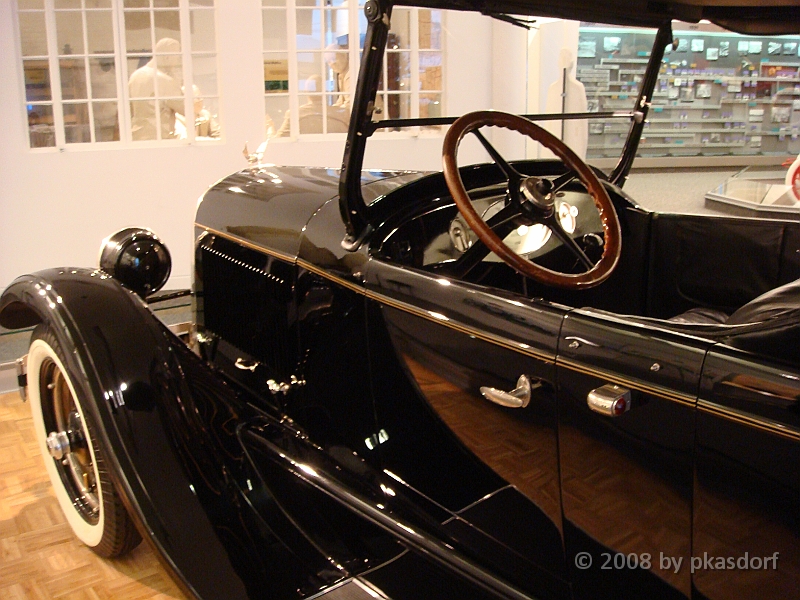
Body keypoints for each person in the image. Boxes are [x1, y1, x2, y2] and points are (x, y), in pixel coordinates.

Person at [128, 38, 185, 140]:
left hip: (136, 136)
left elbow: (128, 109)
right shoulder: (164, 80)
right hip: (160, 137)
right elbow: (185, 109)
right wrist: (176, 81)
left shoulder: (135, 76)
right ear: (167, 57)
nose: (177, 61)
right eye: (177, 57)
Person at [275, 75, 350, 137]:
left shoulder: (294, 114)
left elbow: (278, 141)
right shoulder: (342, 114)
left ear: (305, 92)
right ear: (326, 91)